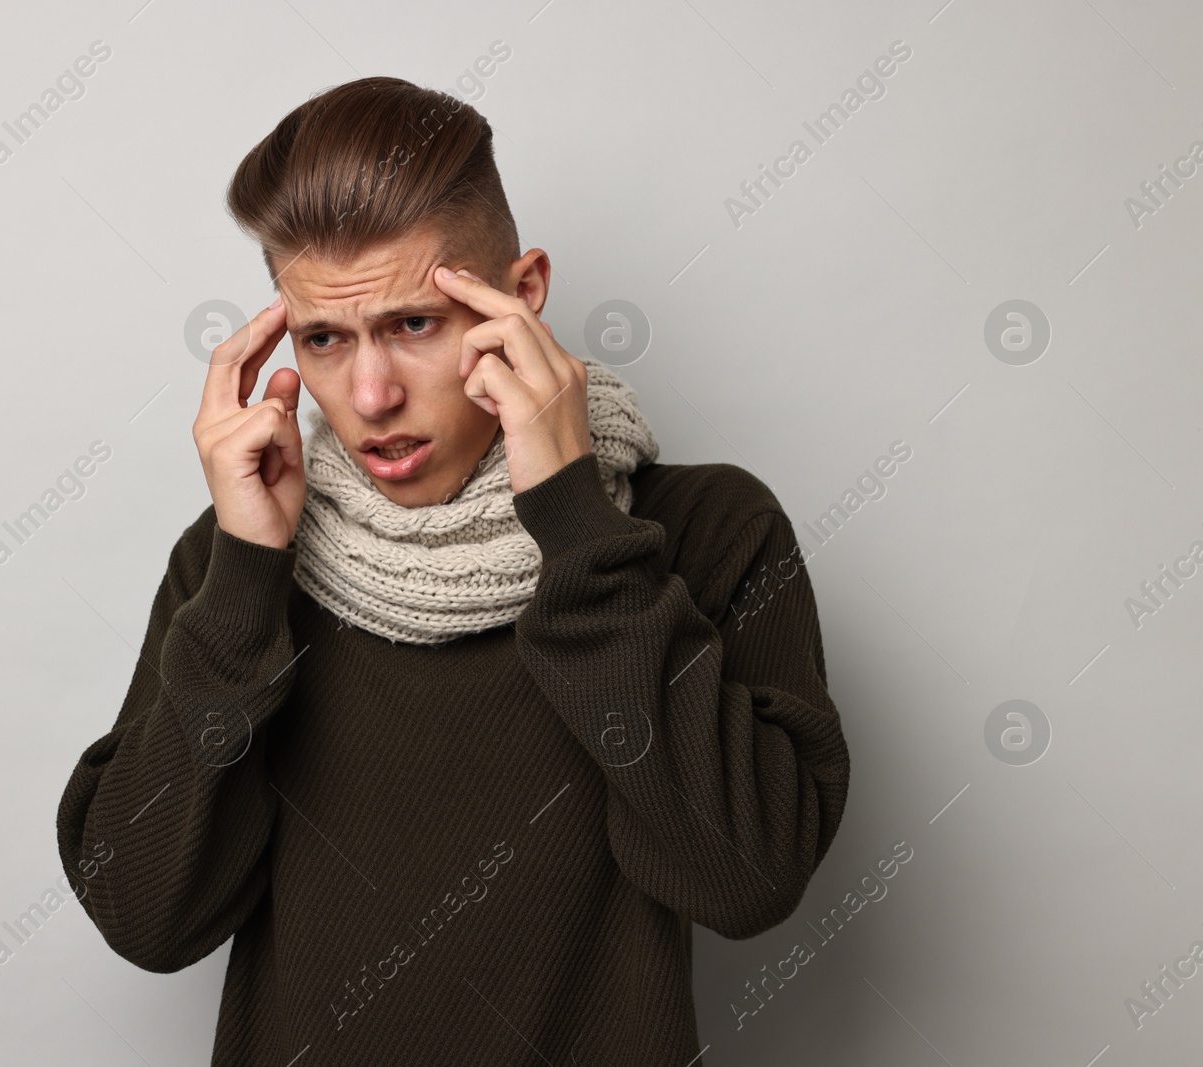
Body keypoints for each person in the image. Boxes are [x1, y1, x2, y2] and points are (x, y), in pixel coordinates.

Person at [57, 76, 849, 1066]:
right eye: (325, 339)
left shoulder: (701, 531)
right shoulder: (241, 557)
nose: (371, 392)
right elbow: (144, 913)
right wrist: (247, 576)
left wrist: (575, 527)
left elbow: (748, 875)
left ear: (520, 297)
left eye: (413, 324)